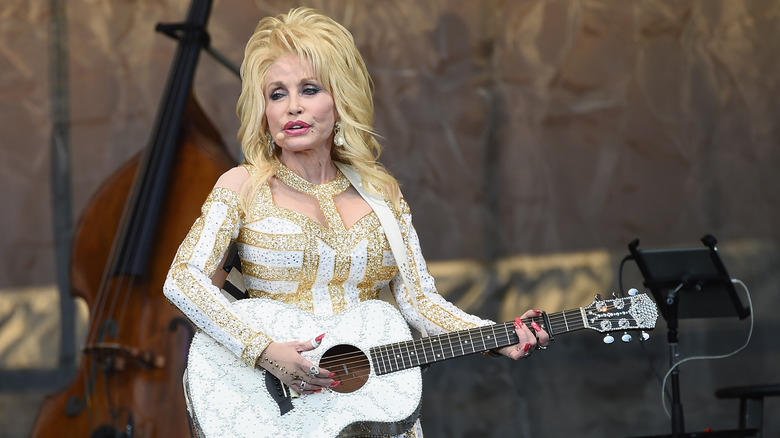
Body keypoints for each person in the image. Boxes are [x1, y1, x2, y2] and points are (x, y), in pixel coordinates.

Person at [163, 6, 549, 437]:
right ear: (263, 109)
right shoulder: (243, 185)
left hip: (372, 408)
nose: (293, 106)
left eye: (309, 89)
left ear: (340, 99)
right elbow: (183, 279)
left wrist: (495, 335)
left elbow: (421, 303)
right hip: (277, 412)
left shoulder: (382, 194)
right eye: (276, 93)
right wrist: (264, 350)